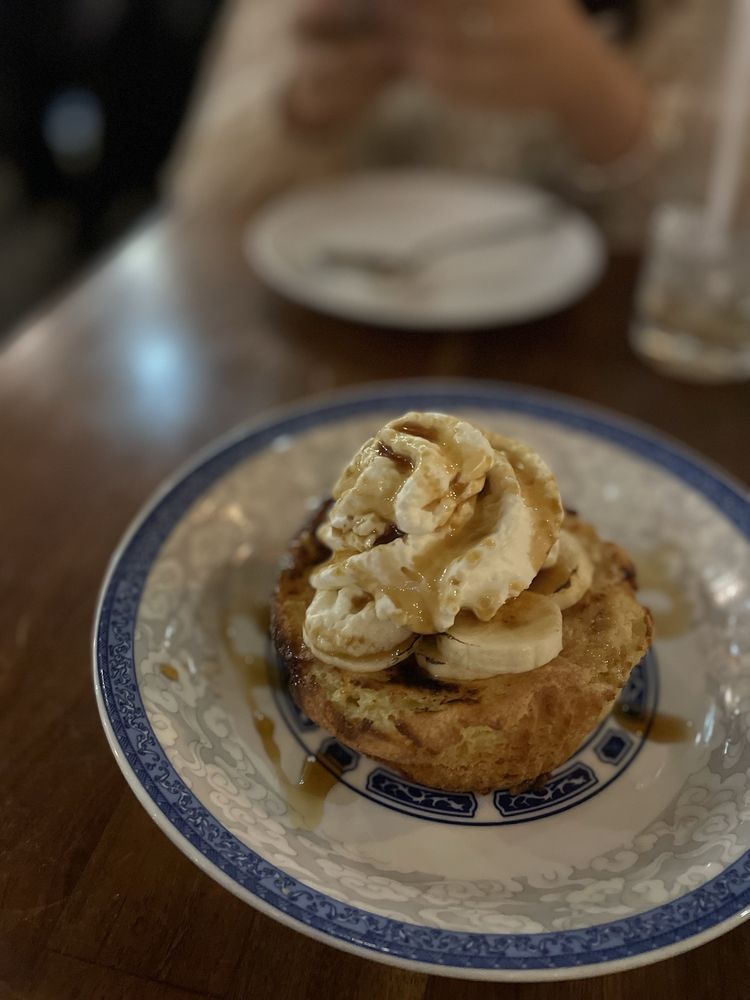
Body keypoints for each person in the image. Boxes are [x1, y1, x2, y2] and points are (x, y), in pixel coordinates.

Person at [167, 0, 722, 245]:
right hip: (331, 339)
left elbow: (716, 254)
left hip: (588, 369)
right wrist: (309, 102)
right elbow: (198, 204)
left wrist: (598, 99)